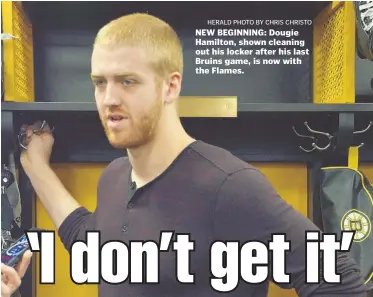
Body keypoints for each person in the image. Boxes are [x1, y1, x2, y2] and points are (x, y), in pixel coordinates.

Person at [20, 13, 367, 297]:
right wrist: (36, 166)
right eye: (99, 82)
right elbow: (91, 240)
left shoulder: (228, 186)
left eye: (127, 81)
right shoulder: (114, 177)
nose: (109, 98)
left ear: (171, 86)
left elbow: (340, 283)